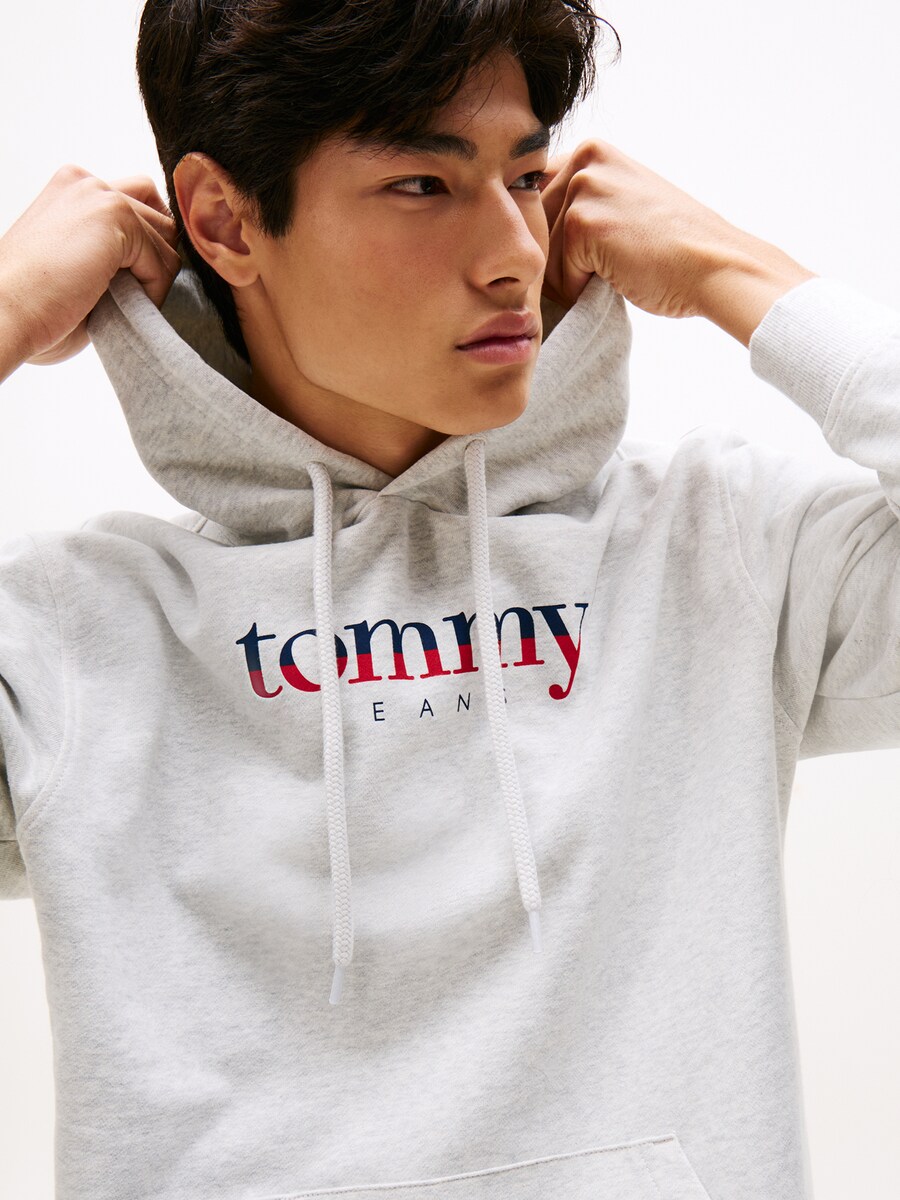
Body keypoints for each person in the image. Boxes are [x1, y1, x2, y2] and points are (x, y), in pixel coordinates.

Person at [1, 1, 897, 1198]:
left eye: (526, 177)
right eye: (424, 184)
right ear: (223, 220)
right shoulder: (72, 641)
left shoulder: (715, 550)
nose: (514, 252)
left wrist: (740, 272)